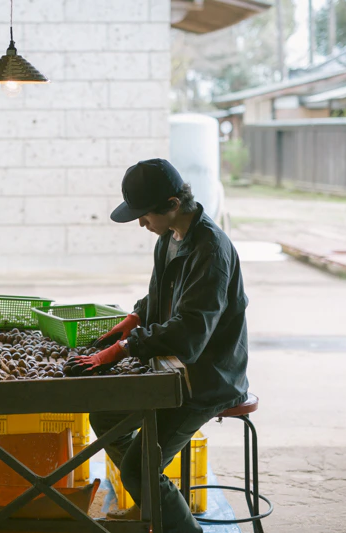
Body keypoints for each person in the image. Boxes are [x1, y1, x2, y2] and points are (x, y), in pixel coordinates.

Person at [72, 159, 249, 533]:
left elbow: (189, 335)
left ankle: (173, 518)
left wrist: (121, 350)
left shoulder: (211, 251)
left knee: (138, 469)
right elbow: (157, 297)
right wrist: (132, 320)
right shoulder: (170, 237)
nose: (140, 223)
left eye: (144, 214)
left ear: (172, 203)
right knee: (105, 418)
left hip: (205, 380)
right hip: (170, 368)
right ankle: (157, 504)